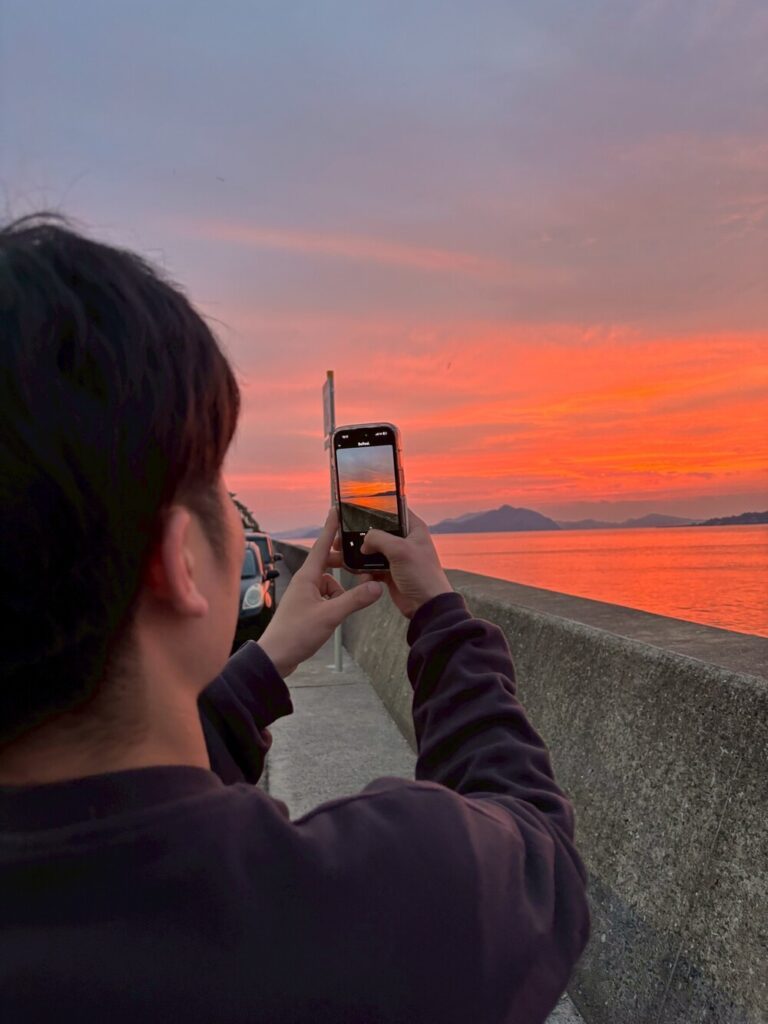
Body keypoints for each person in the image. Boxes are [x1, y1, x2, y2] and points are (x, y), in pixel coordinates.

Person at [0, 213, 589, 1023]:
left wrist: (261, 669)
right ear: (175, 561)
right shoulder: (373, 905)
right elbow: (536, 858)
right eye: (219, 486)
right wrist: (441, 619)